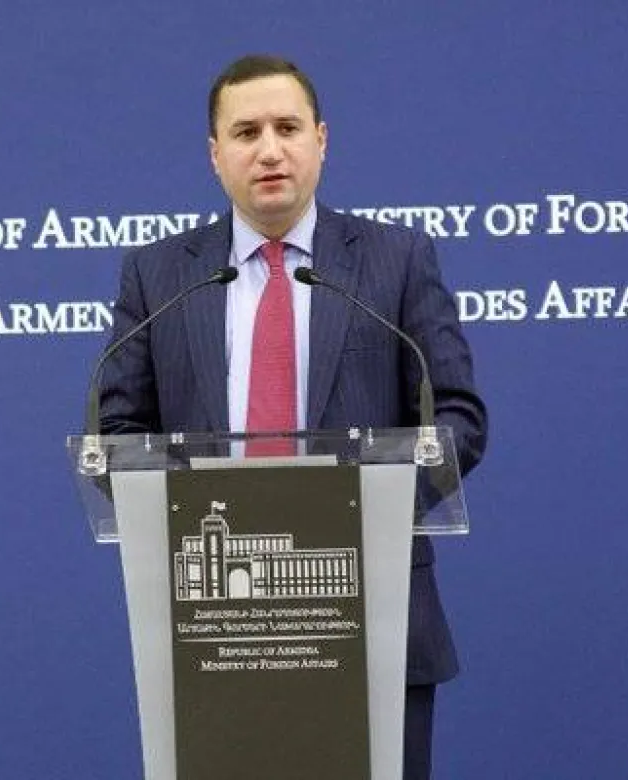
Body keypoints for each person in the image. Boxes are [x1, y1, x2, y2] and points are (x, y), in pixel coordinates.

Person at [99, 54, 487, 779]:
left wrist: (364, 513)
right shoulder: (158, 274)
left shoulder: (397, 259)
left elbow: (457, 419)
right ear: (216, 154)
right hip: (216, 626)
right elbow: (118, 433)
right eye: (246, 132)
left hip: (373, 613)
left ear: (321, 140)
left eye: (287, 127)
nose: (270, 149)